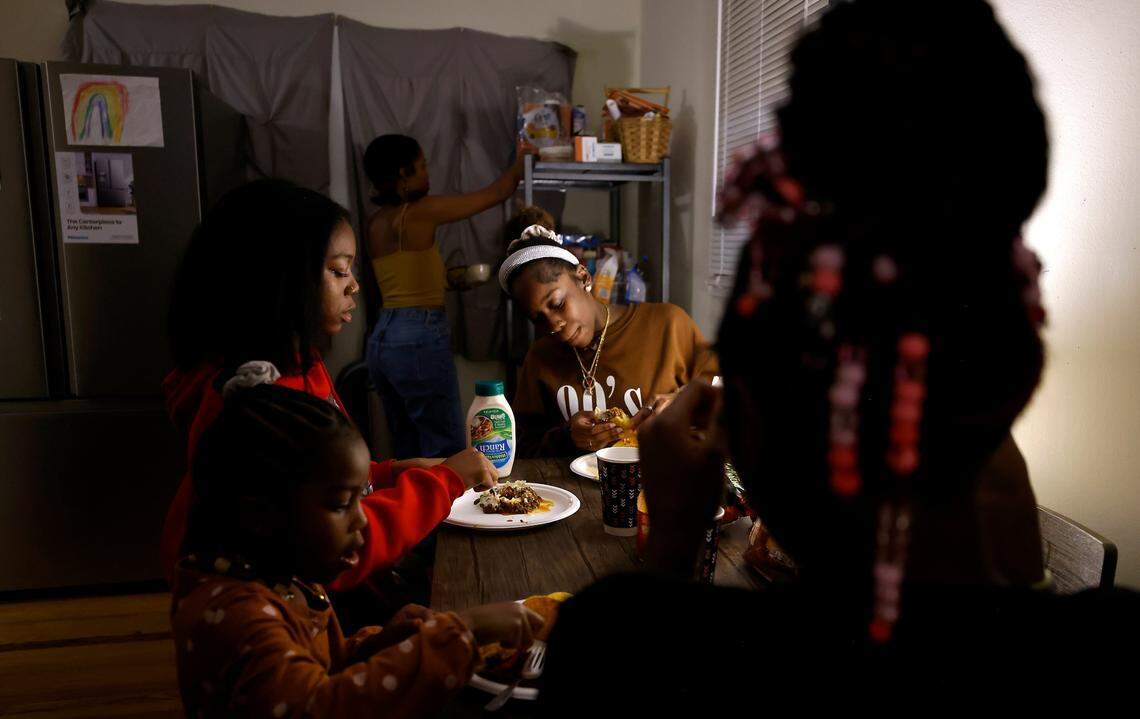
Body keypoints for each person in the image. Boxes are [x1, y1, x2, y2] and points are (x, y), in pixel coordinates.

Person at [538, 1, 1138, 712]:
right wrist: (1014, 574)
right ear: (1012, 392)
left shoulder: (624, 648)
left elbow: (642, 646)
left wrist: (670, 542)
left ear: (747, 442)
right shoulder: (1114, 654)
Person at [163, 179, 498, 626]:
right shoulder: (259, 404)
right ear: (280, 279)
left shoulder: (302, 365)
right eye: (338, 271)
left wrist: (394, 470)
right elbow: (337, 549)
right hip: (308, 620)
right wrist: (441, 485)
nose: (355, 286)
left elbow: (325, 483)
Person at [172, 379, 542, 718]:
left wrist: (379, 645)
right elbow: (322, 706)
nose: (362, 520)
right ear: (260, 514)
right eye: (339, 505)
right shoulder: (238, 619)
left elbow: (324, 665)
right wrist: (462, 631)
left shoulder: (285, 574)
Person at [363, 134, 526, 459]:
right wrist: (524, 156)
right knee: (445, 445)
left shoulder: (376, 223)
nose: (428, 173)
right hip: (419, 334)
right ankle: (445, 511)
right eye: (421, 167)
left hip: (383, 336)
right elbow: (498, 192)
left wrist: (452, 280)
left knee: (406, 446)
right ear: (402, 175)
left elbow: (404, 279)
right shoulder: (420, 211)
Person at [501, 224, 717, 456]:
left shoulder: (668, 325)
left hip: (663, 485)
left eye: (558, 304)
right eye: (538, 319)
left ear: (583, 277)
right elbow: (521, 446)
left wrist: (682, 402)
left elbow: (729, 398)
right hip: (574, 490)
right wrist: (566, 436)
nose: (553, 325)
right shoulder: (541, 358)